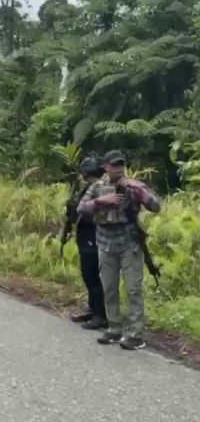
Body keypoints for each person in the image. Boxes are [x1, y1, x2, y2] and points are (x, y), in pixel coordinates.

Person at [77, 150, 161, 351]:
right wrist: (100, 202)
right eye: (115, 164)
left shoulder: (133, 186)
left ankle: (135, 334)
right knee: (109, 288)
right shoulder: (97, 186)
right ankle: (114, 329)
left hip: (128, 243)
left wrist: (140, 192)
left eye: (121, 164)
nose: (119, 167)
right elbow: (80, 207)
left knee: (133, 289)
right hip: (105, 243)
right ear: (105, 166)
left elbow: (156, 206)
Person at [66, 156, 107, 330]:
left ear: (85, 171)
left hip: (93, 235)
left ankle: (100, 315)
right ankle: (93, 309)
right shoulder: (88, 187)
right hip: (86, 235)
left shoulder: (98, 187)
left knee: (92, 275)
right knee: (88, 274)